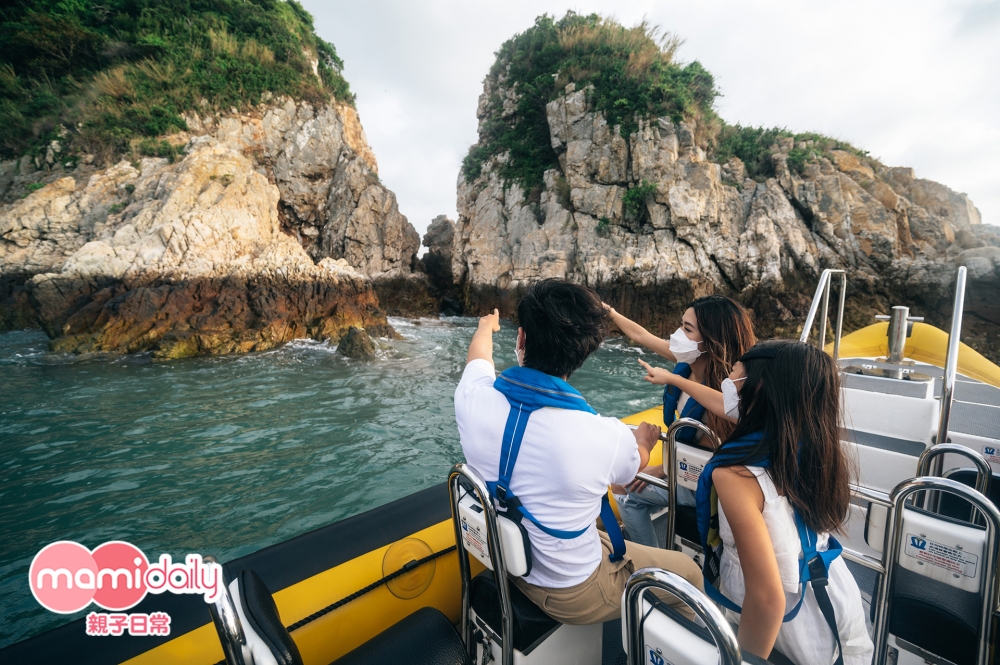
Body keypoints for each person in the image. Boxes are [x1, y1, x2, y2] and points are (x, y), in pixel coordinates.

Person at [454, 279, 703, 624]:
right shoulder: (603, 436)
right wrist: (645, 442)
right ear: (583, 353)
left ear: (521, 339)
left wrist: (486, 326)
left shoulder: (472, 399)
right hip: (572, 592)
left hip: (505, 561)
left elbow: (478, 357)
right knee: (689, 574)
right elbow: (632, 471)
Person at [645, 339, 873, 665]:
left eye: (734, 376)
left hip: (791, 625)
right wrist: (675, 379)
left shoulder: (735, 475)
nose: (727, 383)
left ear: (758, 388)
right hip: (831, 592)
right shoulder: (804, 440)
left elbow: (766, 599)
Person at [605, 296, 755, 547]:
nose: (678, 335)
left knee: (622, 488)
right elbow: (640, 335)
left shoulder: (726, 397)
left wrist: (663, 469)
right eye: (680, 325)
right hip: (682, 470)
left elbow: (716, 460)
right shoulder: (688, 361)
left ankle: (651, 561)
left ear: (711, 340)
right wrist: (607, 311)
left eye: (687, 329)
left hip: (706, 485)